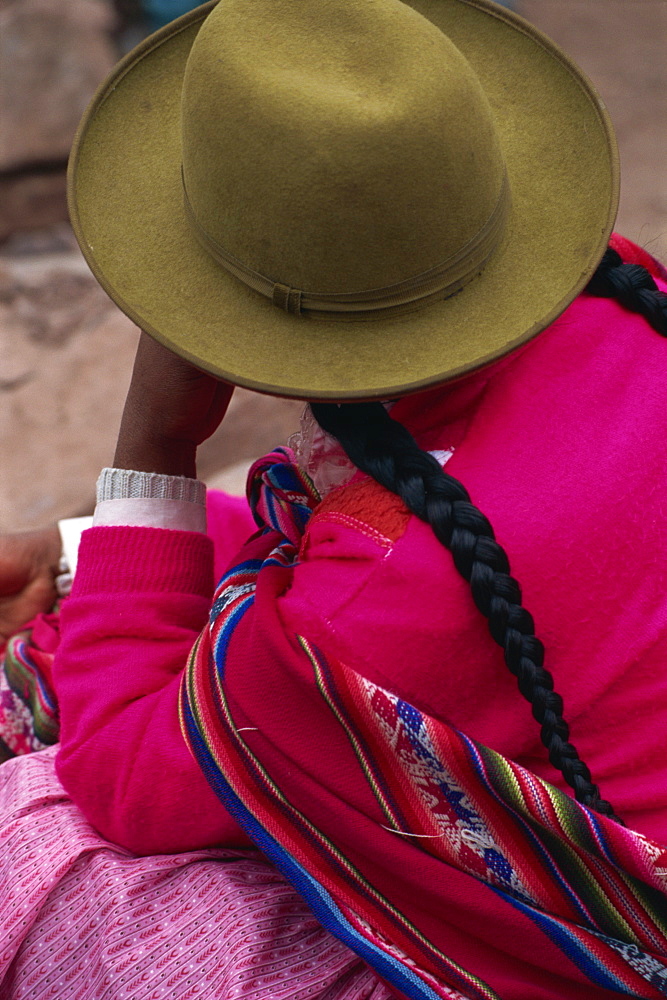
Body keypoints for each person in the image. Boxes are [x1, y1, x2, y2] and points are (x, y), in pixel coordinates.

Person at [2, 0, 667, 997]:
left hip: (612, 946)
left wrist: (156, 447)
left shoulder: (382, 593)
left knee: (30, 834)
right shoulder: (615, 289)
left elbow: (128, 775)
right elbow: (347, 554)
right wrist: (75, 546)